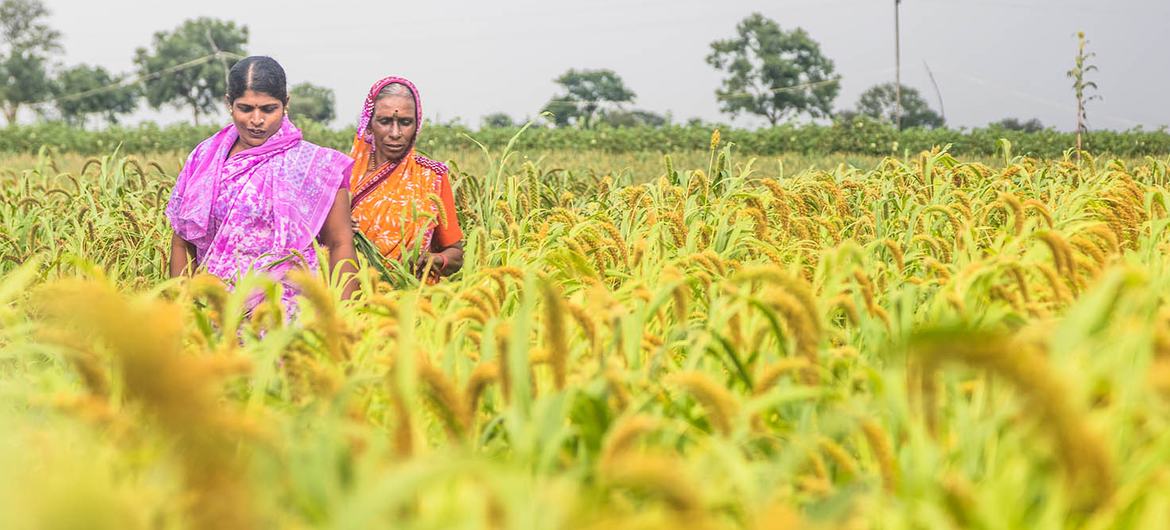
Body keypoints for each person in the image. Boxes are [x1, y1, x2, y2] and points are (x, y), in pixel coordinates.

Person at [167, 56, 358, 312]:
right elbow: (182, 241)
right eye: (245, 108)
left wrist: (346, 315)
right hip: (216, 311)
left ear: (285, 103)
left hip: (289, 314)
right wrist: (183, 311)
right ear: (229, 104)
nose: (256, 120)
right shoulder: (205, 160)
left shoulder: (317, 167)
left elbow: (340, 243)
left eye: (269, 109)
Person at [349, 76, 464, 282]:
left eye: (405, 122)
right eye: (385, 121)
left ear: (416, 125)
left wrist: (434, 260)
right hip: (353, 301)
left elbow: (455, 254)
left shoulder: (432, 176)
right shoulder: (340, 175)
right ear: (369, 124)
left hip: (413, 302)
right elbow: (308, 243)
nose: (395, 133)